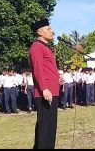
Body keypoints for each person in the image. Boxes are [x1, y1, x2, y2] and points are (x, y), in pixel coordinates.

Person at [29, 18, 60, 149]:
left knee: (50, 128)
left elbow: (47, 69)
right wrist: (44, 88)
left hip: (52, 90)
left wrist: (57, 77)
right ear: (40, 32)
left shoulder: (46, 47)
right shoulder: (36, 47)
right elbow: (38, 70)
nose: (52, 31)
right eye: (49, 29)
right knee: (45, 129)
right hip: (45, 93)